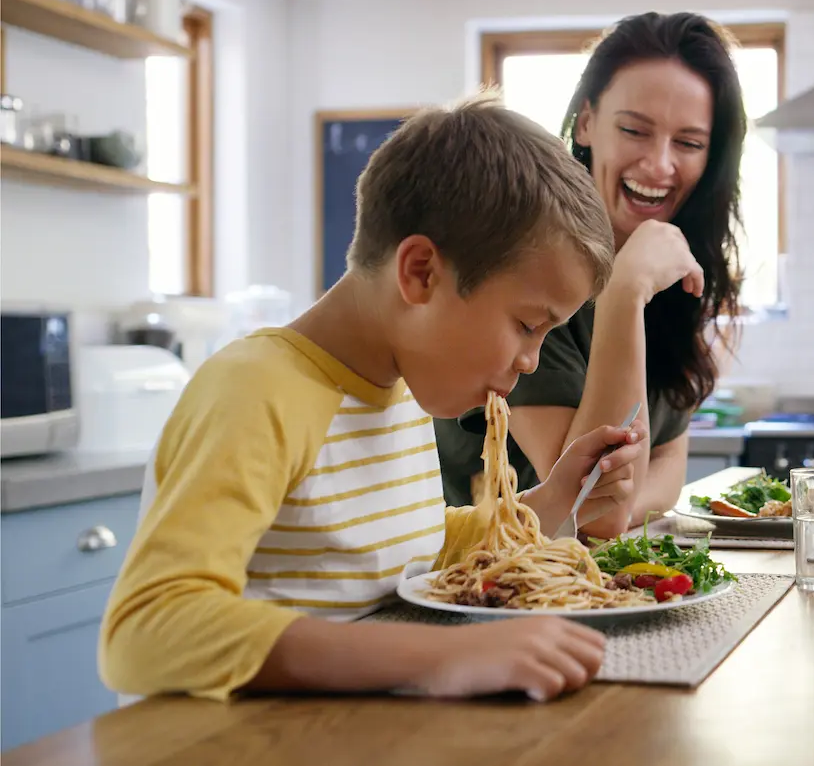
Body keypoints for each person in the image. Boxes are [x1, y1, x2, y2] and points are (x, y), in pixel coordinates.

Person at [98, 93, 650, 706]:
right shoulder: (256, 391)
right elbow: (148, 629)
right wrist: (438, 658)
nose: (532, 360)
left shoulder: (400, 390)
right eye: (526, 325)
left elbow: (398, 551)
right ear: (420, 272)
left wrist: (550, 501)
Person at [435, 12, 745, 538]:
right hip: (483, 586)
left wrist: (622, 504)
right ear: (585, 123)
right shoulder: (528, 260)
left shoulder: (670, 266)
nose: (659, 164)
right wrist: (624, 292)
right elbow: (592, 509)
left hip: (585, 587)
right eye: (634, 130)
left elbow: (668, 471)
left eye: (689, 143)